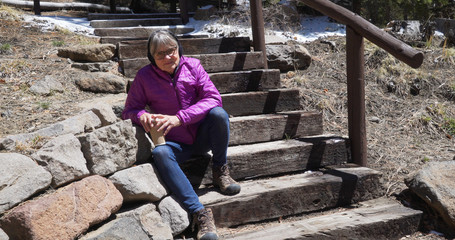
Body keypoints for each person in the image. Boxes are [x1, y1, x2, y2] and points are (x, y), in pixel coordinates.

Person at [122, 30, 241, 240]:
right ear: (152, 58)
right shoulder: (144, 77)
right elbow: (129, 110)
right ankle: (199, 213)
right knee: (160, 153)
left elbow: (213, 98)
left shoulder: (193, 66)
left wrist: (180, 117)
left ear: (179, 49)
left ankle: (220, 169)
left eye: (172, 50)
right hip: (176, 144)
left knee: (219, 114)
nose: (168, 57)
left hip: (201, 137)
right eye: (161, 54)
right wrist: (142, 116)